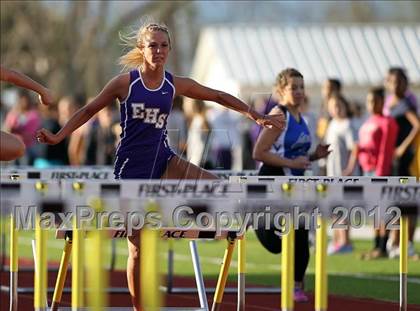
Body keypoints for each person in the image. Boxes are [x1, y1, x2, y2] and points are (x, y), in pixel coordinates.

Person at [36, 22, 284, 310]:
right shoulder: (125, 83)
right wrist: (58, 135)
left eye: (164, 45)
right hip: (132, 172)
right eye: (153, 45)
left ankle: (241, 225)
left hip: (164, 160)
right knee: (138, 251)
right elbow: (89, 110)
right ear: (141, 49)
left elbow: (216, 95)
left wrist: (254, 114)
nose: (159, 50)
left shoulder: (173, 83)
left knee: (218, 187)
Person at [252, 68, 330, 302]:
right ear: (280, 91)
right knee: (276, 244)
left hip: (296, 183)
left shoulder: (302, 118)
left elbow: (297, 155)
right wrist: (290, 162)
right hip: (273, 179)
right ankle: (258, 224)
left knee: (301, 233)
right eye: (292, 87)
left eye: (301, 87)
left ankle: (296, 286)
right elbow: (259, 152)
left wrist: (314, 156)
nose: (298, 92)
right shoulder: (279, 115)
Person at [343, 87, 398, 259]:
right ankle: (376, 245)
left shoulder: (388, 122)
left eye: (375, 101)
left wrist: (380, 174)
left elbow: (385, 151)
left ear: (382, 101)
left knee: (383, 210)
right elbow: (360, 146)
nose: (371, 104)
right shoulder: (368, 122)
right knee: (374, 211)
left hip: (380, 172)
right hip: (366, 171)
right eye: (369, 101)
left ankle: (382, 246)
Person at [385, 68, 419, 259]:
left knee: (409, 202)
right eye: (392, 81)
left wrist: (403, 147)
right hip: (394, 161)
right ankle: (396, 241)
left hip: (406, 160)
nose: (396, 85)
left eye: (399, 82)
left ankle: (408, 243)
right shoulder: (391, 103)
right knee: (396, 201)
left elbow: (417, 125)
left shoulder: (406, 103)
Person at [324, 93, 357, 255]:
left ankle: (345, 241)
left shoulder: (347, 125)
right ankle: (337, 240)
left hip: (344, 173)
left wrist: (350, 169)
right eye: (333, 107)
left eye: (338, 106)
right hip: (333, 173)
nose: (336, 109)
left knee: (343, 207)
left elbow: (355, 148)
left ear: (344, 106)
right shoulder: (332, 124)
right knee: (335, 207)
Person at [0, 66, 53, 161]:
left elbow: (10, 75)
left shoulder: (33, 114)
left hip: (29, 148)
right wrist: (43, 91)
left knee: (18, 148)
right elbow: (10, 75)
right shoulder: (13, 114)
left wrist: (42, 91)